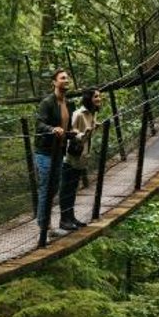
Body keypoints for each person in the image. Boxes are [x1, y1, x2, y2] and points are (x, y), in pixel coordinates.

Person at [33, 68, 73, 236]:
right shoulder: (47, 103)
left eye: (67, 78)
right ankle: (44, 228)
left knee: (54, 188)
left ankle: (45, 223)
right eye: (62, 78)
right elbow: (39, 125)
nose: (66, 80)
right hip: (45, 152)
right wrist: (52, 129)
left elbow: (67, 128)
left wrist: (74, 132)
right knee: (46, 188)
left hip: (59, 152)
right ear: (54, 82)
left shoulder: (69, 103)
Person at [61, 87, 103, 230]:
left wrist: (93, 128)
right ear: (88, 98)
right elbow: (69, 133)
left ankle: (71, 218)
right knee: (67, 188)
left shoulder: (92, 113)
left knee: (73, 188)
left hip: (81, 157)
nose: (99, 99)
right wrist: (83, 133)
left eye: (99, 97)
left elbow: (86, 134)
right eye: (96, 96)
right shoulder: (79, 114)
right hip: (71, 157)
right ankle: (64, 220)